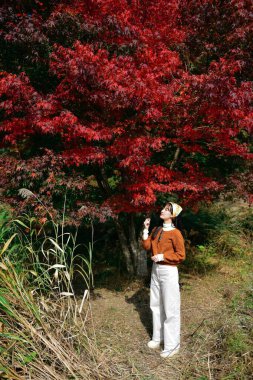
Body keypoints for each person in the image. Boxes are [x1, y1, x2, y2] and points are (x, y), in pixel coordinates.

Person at [142, 202, 185, 358]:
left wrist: (163, 256)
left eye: (167, 210)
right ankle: (157, 337)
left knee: (170, 308)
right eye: (163, 208)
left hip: (168, 271)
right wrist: (146, 229)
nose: (162, 210)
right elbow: (147, 246)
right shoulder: (157, 229)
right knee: (155, 304)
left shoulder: (175, 233)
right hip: (155, 270)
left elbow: (181, 255)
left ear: (173, 215)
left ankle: (172, 345)